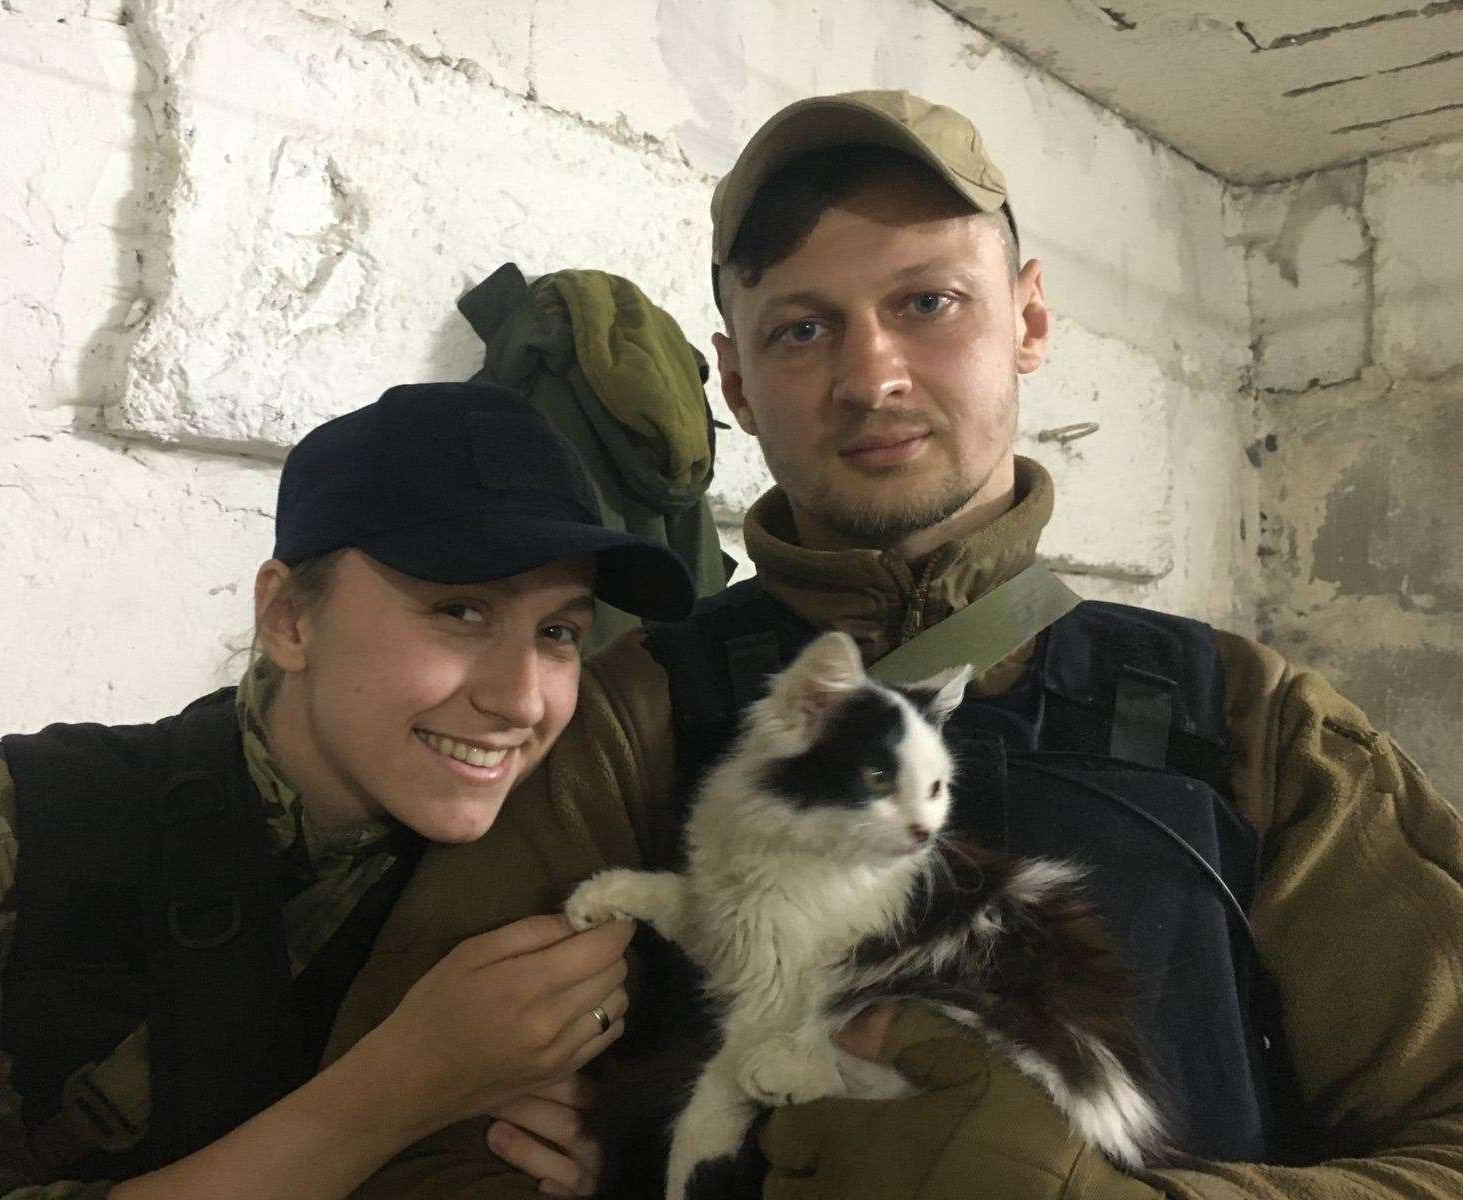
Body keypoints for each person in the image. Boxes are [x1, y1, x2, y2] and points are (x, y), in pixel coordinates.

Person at [328, 93, 1463, 1199]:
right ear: (735, 379)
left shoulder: (1252, 721)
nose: (870, 378)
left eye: (927, 302)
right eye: (803, 328)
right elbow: (413, 1133)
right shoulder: (628, 720)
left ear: (1026, 320)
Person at [0, 381, 700, 1199]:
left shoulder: (560, 866)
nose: (521, 699)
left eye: (558, 633)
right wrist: (398, 1091)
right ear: (290, 620)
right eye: (460, 611)